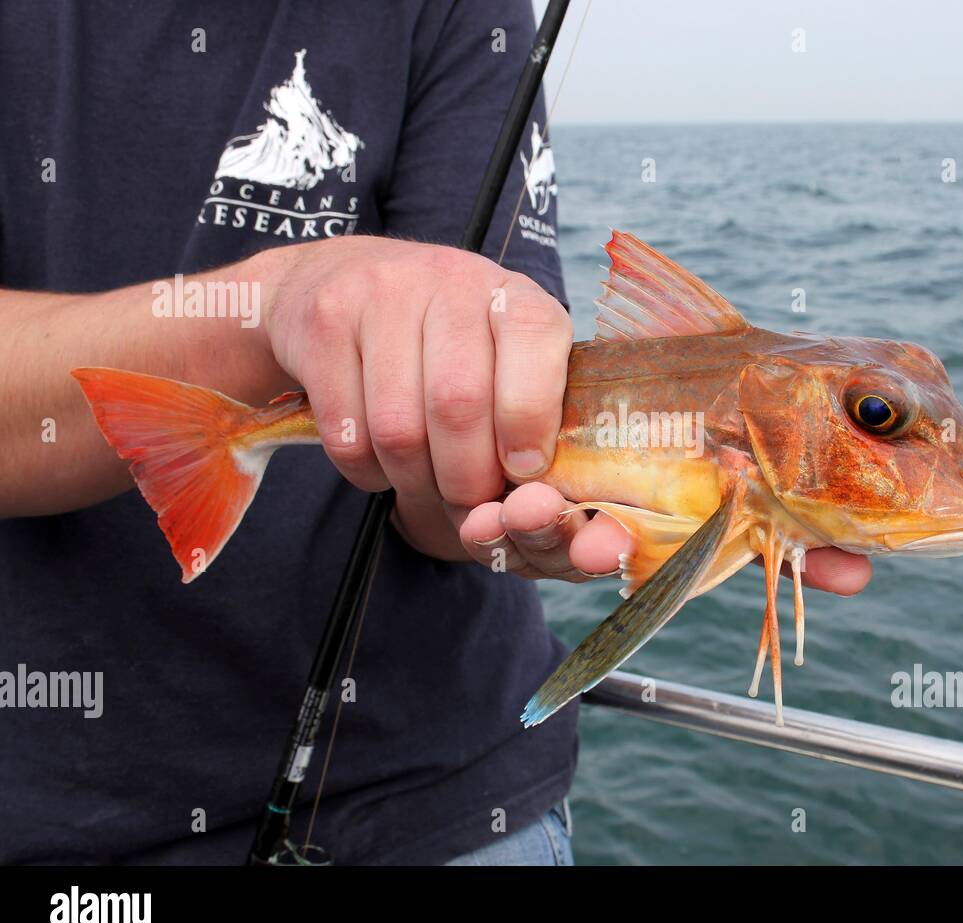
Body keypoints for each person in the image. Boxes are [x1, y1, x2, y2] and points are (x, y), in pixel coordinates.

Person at [0, 0, 871, 864]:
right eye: (875, 419)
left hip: (445, 798)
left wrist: (489, 504)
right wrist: (270, 306)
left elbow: (459, 479)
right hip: (59, 815)